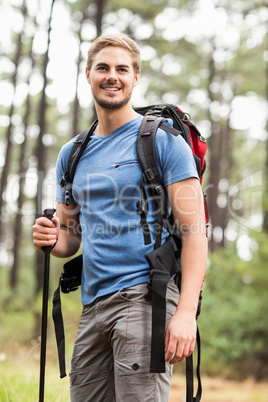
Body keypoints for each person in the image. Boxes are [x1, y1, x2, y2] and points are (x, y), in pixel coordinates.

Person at [33, 33, 207, 402]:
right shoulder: (73, 153)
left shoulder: (162, 141)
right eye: (103, 68)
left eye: (122, 69)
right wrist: (50, 238)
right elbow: (69, 236)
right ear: (88, 74)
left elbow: (195, 234)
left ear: (136, 77)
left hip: (145, 298)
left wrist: (186, 313)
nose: (112, 76)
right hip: (93, 305)